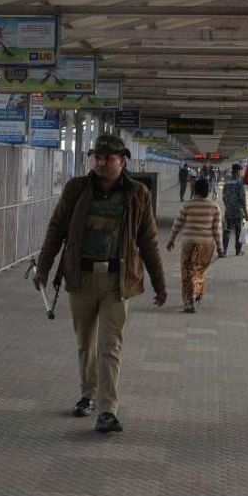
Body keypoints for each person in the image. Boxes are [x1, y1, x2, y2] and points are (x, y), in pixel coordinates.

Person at [33, 135, 167, 434]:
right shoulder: (76, 189)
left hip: (117, 281)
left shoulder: (137, 193)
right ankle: (87, 395)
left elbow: (148, 240)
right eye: (98, 157)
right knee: (85, 344)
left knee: (110, 346)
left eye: (109, 158)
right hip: (80, 278)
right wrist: (43, 267)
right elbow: (57, 228)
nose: (101, 162)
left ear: (124, 161)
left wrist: (159, 283)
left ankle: (108, 410)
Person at [167, 178, 221, 313]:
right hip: (206, 245)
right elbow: (216, 229)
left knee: (187, 273)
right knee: (199, 272)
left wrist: (171, 240)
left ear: (194, 190)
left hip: (189, 243)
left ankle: (189, 302)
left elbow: (177, 224)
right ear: (208, 191)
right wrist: (220, 247)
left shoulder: (187, 205)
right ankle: (196, 296)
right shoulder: (214, 207)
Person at [221, 164, 248, 257]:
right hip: (238, 212)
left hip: (228, 211)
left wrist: (228, 206)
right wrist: (246, 213)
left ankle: (224, 251)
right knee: (238, 231)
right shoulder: (239, 183)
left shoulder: (227, 182)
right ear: (238, 171)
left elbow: (224, 197)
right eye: (240, 171)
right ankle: (238, 252)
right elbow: (242, 199)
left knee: (227, 230)